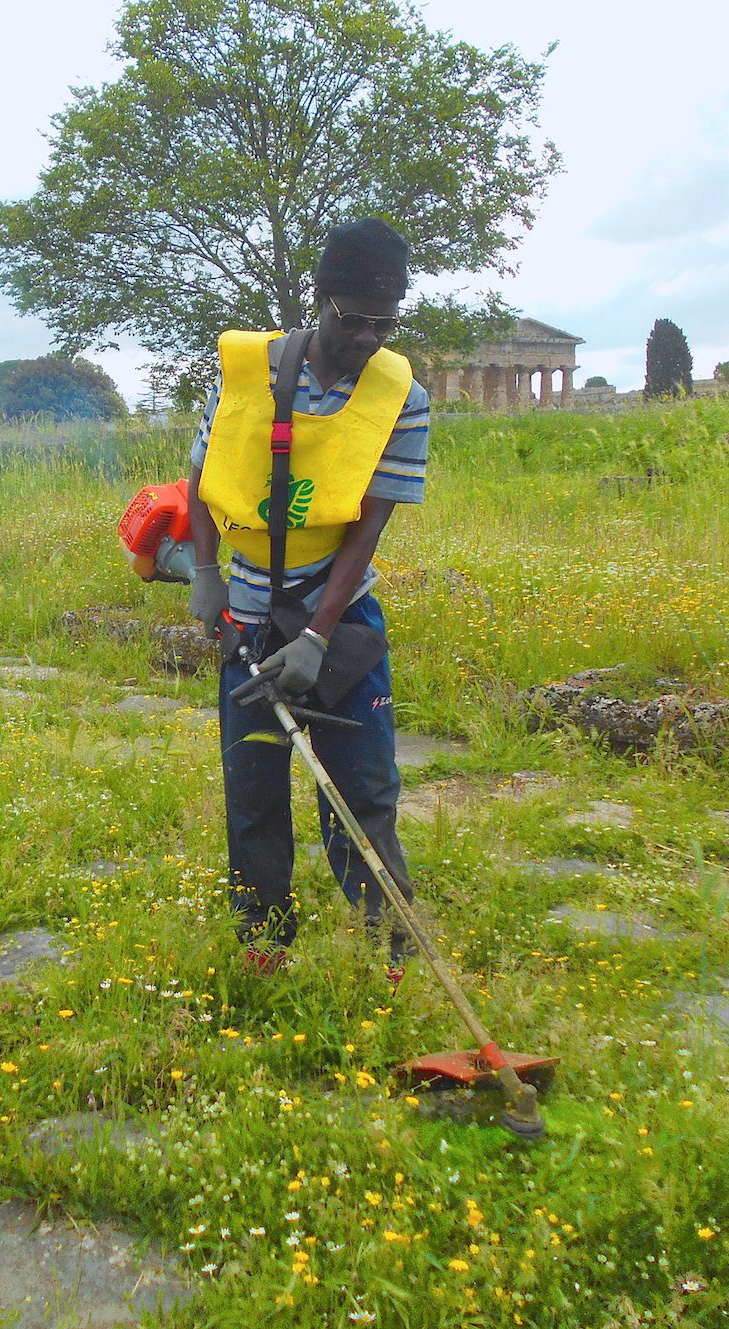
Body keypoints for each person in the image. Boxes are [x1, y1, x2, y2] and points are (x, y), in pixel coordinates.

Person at [186, 217, 430, 980]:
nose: (366, 338)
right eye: (351, 319)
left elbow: (368, 527)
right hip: (247, 621)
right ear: (319, 299)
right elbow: (202, 478)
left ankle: (386, 951)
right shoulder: (246, 376)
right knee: (252, 789)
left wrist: (319, 637)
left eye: (383, 325)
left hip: (339, 615)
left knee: (361, 790)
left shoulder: (404, 398)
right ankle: (264, 947)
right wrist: (205, 575)